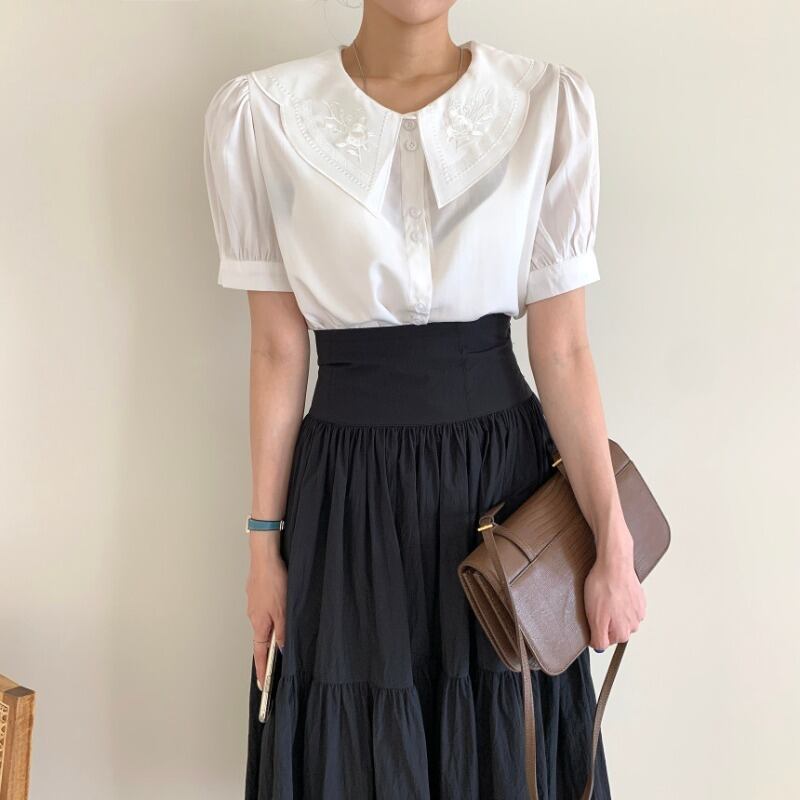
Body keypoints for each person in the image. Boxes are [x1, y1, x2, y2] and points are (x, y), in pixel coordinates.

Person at [203, 3, 646, 798]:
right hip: (347, 499)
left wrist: (613, 544)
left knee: (507, 740)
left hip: (501, 494)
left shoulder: (545, 103)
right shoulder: (263, 115)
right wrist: (262, 550)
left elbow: (564, 350)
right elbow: (276, 350)